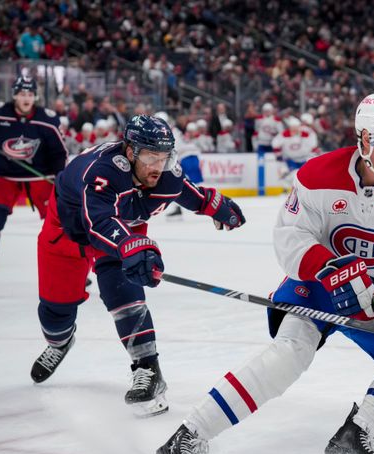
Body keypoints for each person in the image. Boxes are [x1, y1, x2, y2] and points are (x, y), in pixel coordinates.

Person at [155, 93, 374, 454]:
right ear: (365, 138)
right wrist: (327, 266)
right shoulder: (317, 175)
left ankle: (354, 440)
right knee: (289, 353)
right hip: (319, 281)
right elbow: (290, 237)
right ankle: (188, 437)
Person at [30, 115, 245, 417]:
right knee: (55, 311)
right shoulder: (103, 171)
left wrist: (213, 205)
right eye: (149, 157)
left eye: (163, 157)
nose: (157, 165)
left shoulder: (165, 172)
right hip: (67, 230)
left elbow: (183, 190)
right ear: (130, 152)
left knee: (124, 291)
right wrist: (131, 245)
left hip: (122, 230)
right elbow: (99, 222)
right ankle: (59, 342)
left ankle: (148, 369)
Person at [0, 75, 67, 294]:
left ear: (35, 96)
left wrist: (61, 180)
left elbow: (59, 153)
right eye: (21, 93)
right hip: (4, 176)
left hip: (39, 176)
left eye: (29, 94)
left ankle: (71, 270)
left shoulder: (47, 119)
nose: (25, 98)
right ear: (15, 95)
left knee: (59, 223)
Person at [271, 116, 319, 191]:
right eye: (293, 127)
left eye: (296, 127)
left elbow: (313, 145)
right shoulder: (284, 134)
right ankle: (291, 189)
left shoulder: (306, 134)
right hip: (290, 159)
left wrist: (313, 155)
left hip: (303, 158)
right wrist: (278, 155)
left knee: (307, 175)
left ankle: (303, 190)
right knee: (293, 174)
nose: (294, 129)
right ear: (290, 127)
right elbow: (275, 143)